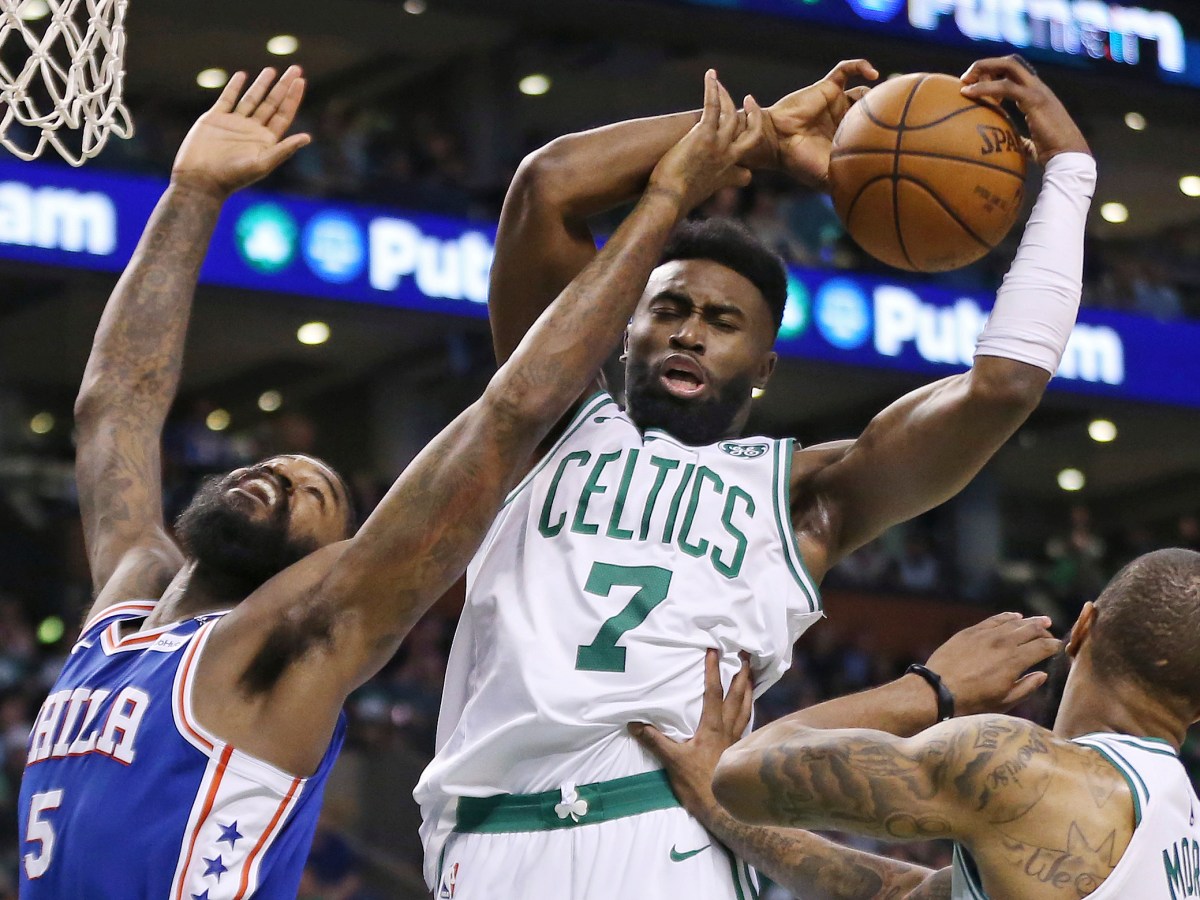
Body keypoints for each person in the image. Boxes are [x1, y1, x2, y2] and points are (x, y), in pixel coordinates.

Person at [17, 65, 753, 898]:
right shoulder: (124, 606)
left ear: (321, 568)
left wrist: (662, 205)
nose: (277, 477)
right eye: (273, 467)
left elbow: (508, 414)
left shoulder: (294, 645)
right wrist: (191, 195)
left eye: (313, 494)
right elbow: (115, 404)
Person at [415, 54, 1095, 898]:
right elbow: (548, 187)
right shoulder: (544, 426)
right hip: (489, 835)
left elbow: (1002, 388)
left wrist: (1070, 176)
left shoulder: (805, 496)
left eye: (721, 320)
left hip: (667, 832)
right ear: (623, 331)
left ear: (764, 365)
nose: (689, 332)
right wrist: (761, 135)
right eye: (668, 310)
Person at [709, 548, 1200, 899]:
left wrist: (930, 689)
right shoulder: (1180, 830)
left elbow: (740, 772)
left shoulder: (1022, 767)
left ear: (1083, 626)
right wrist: (710, 803)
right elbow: (901, 892)